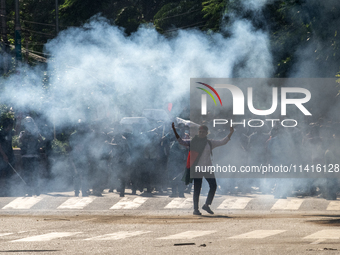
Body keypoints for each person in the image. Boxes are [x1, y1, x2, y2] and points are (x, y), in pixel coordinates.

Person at [172, 122, 234, 215]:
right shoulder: (193, 142)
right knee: (197, 189)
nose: (201, 133)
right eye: (200, 132)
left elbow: (222, 142)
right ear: (198, 132)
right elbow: (181, 141)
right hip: (197, 169)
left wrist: (231, 133)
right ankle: (195, 210)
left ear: (206, 133)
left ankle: (206, 205)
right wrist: (174, 130)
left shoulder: (210, 142)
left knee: (213, 186)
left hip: (208, 168)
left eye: (203, 132)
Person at [19, 116, 43, 196]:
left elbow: (41, 140)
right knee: (26, 174)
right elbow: (19, 140)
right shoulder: (22, 132)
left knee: (35, 174)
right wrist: (25, 133)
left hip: (34, 155)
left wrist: (34, 134)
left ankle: (36, 190)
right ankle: (28, 190)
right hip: (25, 156)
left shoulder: (36, 131)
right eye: (27, 124)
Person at [0, 118, 15, 196]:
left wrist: (18, 120)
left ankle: (8, 191)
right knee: (1, 173)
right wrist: (4, 155)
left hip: (10, 155)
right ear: (8, 125)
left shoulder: (9, 132)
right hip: (2, 157)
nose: (12, 127)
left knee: (9, 174)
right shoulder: (1, 133)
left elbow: (17, 131)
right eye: (11, 125)